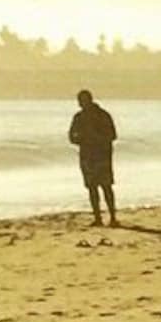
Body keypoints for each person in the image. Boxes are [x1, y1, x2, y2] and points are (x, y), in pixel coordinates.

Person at [68, 89, 118, 227]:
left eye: (82, 101)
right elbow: (71, 137)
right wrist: (82, 140)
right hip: (89, 156)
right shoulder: (79, 117)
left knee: (105, 186)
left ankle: (112, 217)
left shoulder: (102, 115)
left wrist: (96, 139)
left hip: (101, 156)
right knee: (92, 187)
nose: (80, 104)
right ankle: (98, 218)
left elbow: (113, 135)